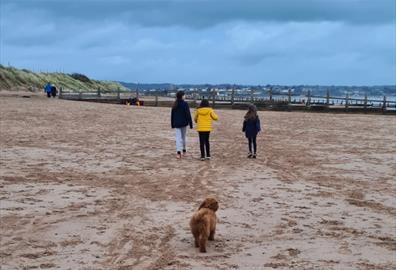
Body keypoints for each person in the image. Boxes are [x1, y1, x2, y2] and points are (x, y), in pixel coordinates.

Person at [171, 91, 193, 159]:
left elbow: (172, 115)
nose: (185, 96)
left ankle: (178, 153)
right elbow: (188, 114)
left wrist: (172, 124)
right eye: (184, 95)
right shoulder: (185, 104)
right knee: (183, 138)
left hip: (177, 123)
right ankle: (184, 151)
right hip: (183, 123)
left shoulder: (175, 104)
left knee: (178, 138)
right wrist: (190, 123)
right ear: (182, 96)